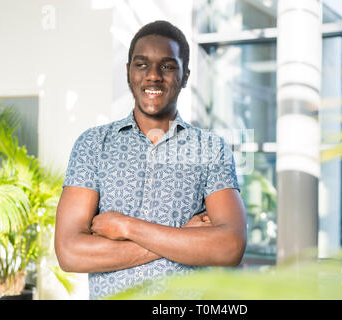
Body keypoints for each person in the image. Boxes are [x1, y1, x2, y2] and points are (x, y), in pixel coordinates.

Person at [54, 20, 247, 300]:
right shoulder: (93, 144)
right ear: (128, 71)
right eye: (142, 64)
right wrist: (182, 237)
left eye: (167, 66)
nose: (153, 75)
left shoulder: (210, 148)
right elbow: (70, 253)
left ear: (185, 76)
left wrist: (125, 227)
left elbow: (230, 247)